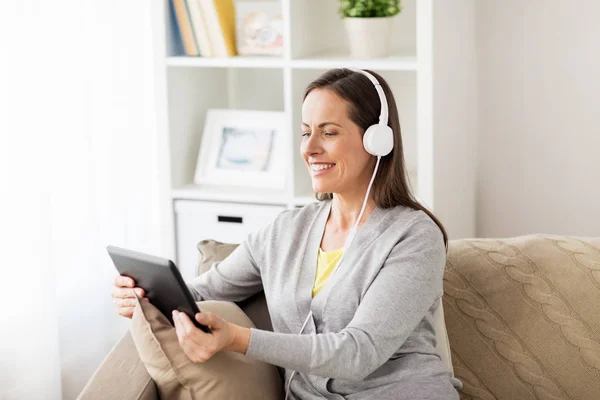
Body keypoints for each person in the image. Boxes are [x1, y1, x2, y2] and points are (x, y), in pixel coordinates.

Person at [111, 68, 460, 399]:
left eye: (329, 132)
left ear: (377, 140)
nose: (309, 149)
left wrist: (238, 339)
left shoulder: (414, 236)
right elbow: (203, 290)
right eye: (306, 131)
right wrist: (144, 294)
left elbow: (358, 353)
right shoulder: (285, 231)